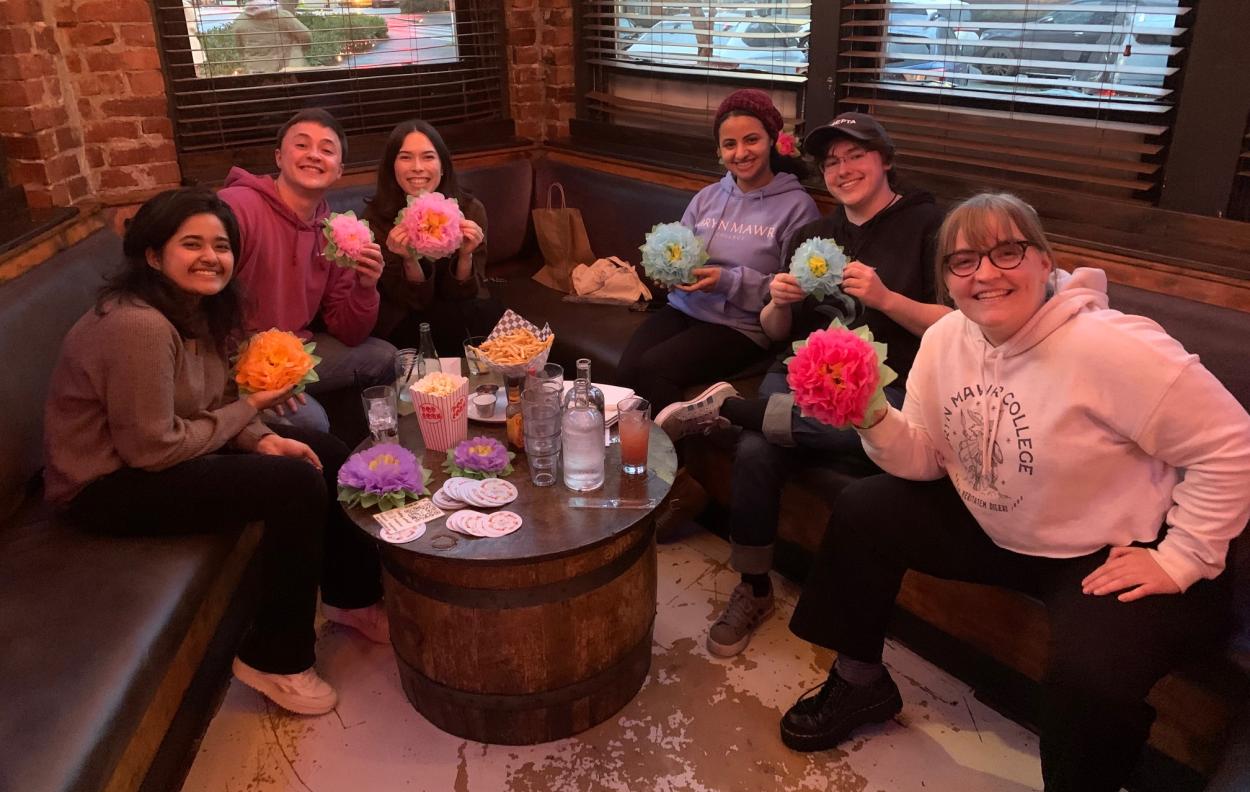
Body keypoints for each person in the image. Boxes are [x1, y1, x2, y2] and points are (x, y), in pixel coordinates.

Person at [782, 192, 1250, 791]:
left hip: (1108, 548)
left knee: (1091, 677)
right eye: (964, 261)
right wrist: (873, 416)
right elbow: (928, 457)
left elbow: (1230, 442)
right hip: (1002, 522)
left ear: (1043, 261)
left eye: (1007, 251)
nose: (986, 273)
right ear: (946, 281)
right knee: (863, 509)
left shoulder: (1112, 346)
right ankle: (860, 682)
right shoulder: (947, 338)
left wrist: (1183, 556)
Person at [43, 188, 390, 716]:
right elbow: (152, 449)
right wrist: (252, 411)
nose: (211, 256)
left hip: (158, 452)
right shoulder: (137, 324)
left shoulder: (197, 310)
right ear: (154, 255)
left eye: (222, 245)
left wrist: (261, 436)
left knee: (324, 448)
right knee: (292, 485)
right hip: (105, 485)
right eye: (192, 244)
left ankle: (352, 597)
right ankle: (275, 658)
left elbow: (216, 400)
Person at [657, 112, 950, 658]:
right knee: (759, 446)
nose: (842, 169)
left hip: (889, 384)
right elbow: (776, 335)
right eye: (831, 161)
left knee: (778, 430)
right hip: (803, 375)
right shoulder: (815, 234)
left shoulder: (929, 227)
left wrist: (887, 299)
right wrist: (776, 303)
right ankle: (755, 585)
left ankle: (730, 412)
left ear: (885, 159)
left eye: (855, 155)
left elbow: (959, 327)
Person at [615, 89, 821, 412]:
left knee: (655, 368)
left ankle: (670, 463)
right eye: (730, 144)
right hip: (685, 309)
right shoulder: (708, 197)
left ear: (771, 139)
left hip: (743, 327)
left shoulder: (797, 207)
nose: (741, 153)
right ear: (719, 150)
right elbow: (676, 249)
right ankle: (634, 458)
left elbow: (793, 292)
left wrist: (726, 280)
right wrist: (668, 272)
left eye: (751, 140)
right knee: (625, 372)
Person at [220, 108, 395, 436]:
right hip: (230, 364)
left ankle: (369, 458)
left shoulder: (334, 230)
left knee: (385, 357)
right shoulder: (236, 207)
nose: (314, 155)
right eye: (302, 145)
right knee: (312, 421)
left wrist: (365, 286)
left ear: (339, 170)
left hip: (295, 353)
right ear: (279, 157)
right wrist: (255, 373)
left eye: (327, 150)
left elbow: (349, 332)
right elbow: (200, 301)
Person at [362, 119, 502, 355]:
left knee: (496, 325)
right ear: (392, 166)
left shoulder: (469, 210)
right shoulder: (375, 219)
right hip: (405, 313)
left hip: (462, 304)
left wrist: (466, 255)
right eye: (405, 157)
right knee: (443, 329)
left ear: (443, 165)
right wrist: (409, 259)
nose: (417, 167)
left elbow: (468, 291)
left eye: (428, 157)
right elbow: (411, 302)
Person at [233, 0, 312, 74]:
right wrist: (303, 49)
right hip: (285, 71)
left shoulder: (240, 21)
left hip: (256, 72)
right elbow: (306, 36)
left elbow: (240, 48)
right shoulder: (282, 16)